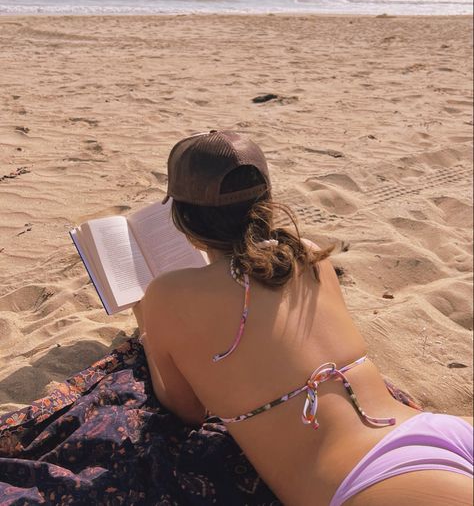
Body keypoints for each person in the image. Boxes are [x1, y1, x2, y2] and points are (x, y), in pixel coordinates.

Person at [133, 130, 473, 506]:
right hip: (431, 433)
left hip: (366, 475)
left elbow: (188, 411)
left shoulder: (167, 294)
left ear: (182, 220)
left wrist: (150, 339)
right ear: (267, 202)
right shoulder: (305, 254)